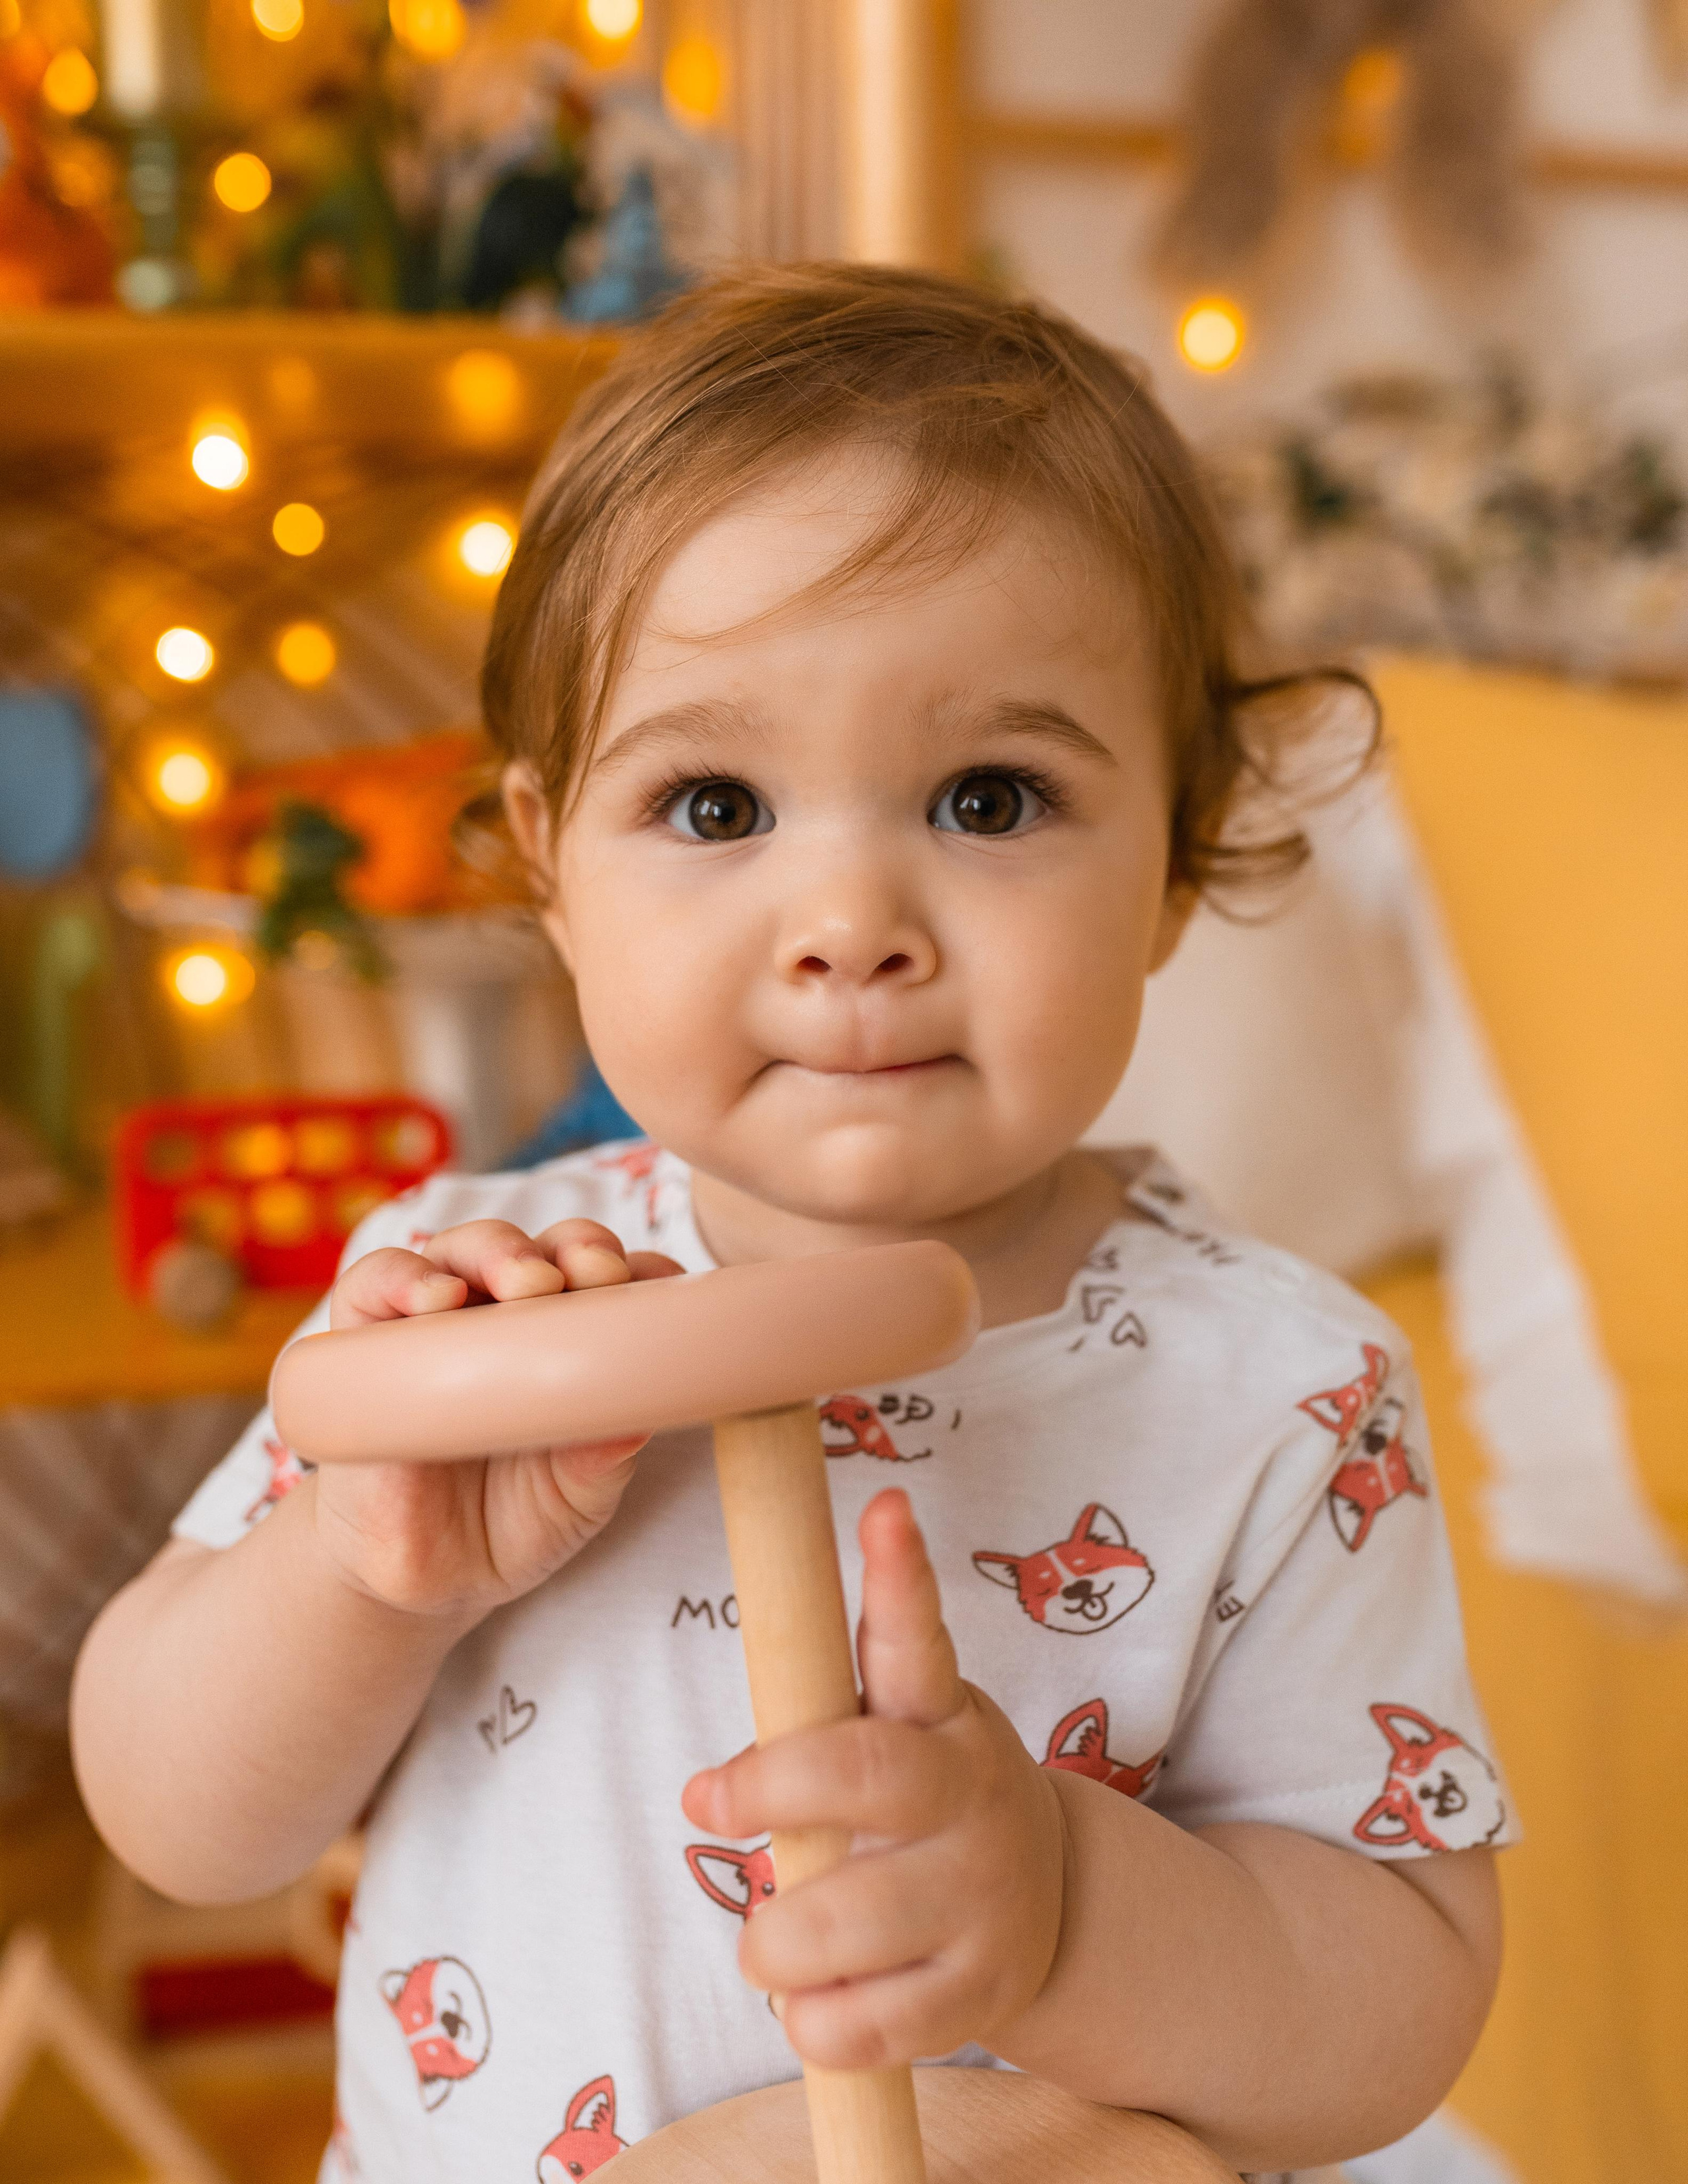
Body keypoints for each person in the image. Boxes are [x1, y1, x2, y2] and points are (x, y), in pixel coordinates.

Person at [71, 266, 1509, 2182]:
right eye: (716, 801)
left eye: (991, 796)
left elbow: (1396, 2006)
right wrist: (360, 1570)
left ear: (1174, 859)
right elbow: (177, 1818)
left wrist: (1074, 1910)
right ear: (556, 868)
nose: (852, 921)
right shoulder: (455, 1320)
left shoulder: (1290, 1392)